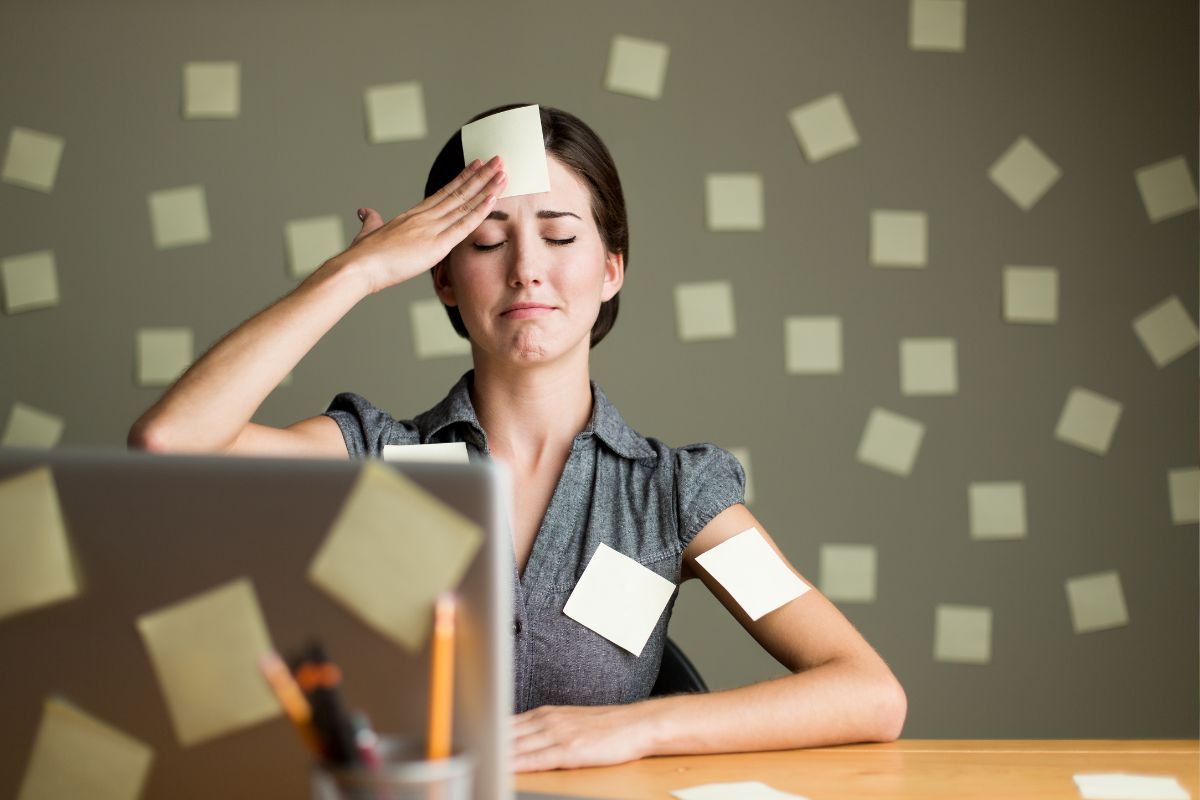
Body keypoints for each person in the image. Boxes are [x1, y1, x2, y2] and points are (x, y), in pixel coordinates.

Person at [128, 104, 907, 771]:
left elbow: (866, 691)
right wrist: (358, 273)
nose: (527, 269)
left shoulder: (674, 496)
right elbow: (171, 443)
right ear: (441, 276)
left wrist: (630, 730)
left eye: (561, 237)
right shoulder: (373, 457)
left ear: (610, 270)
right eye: (487, 241)